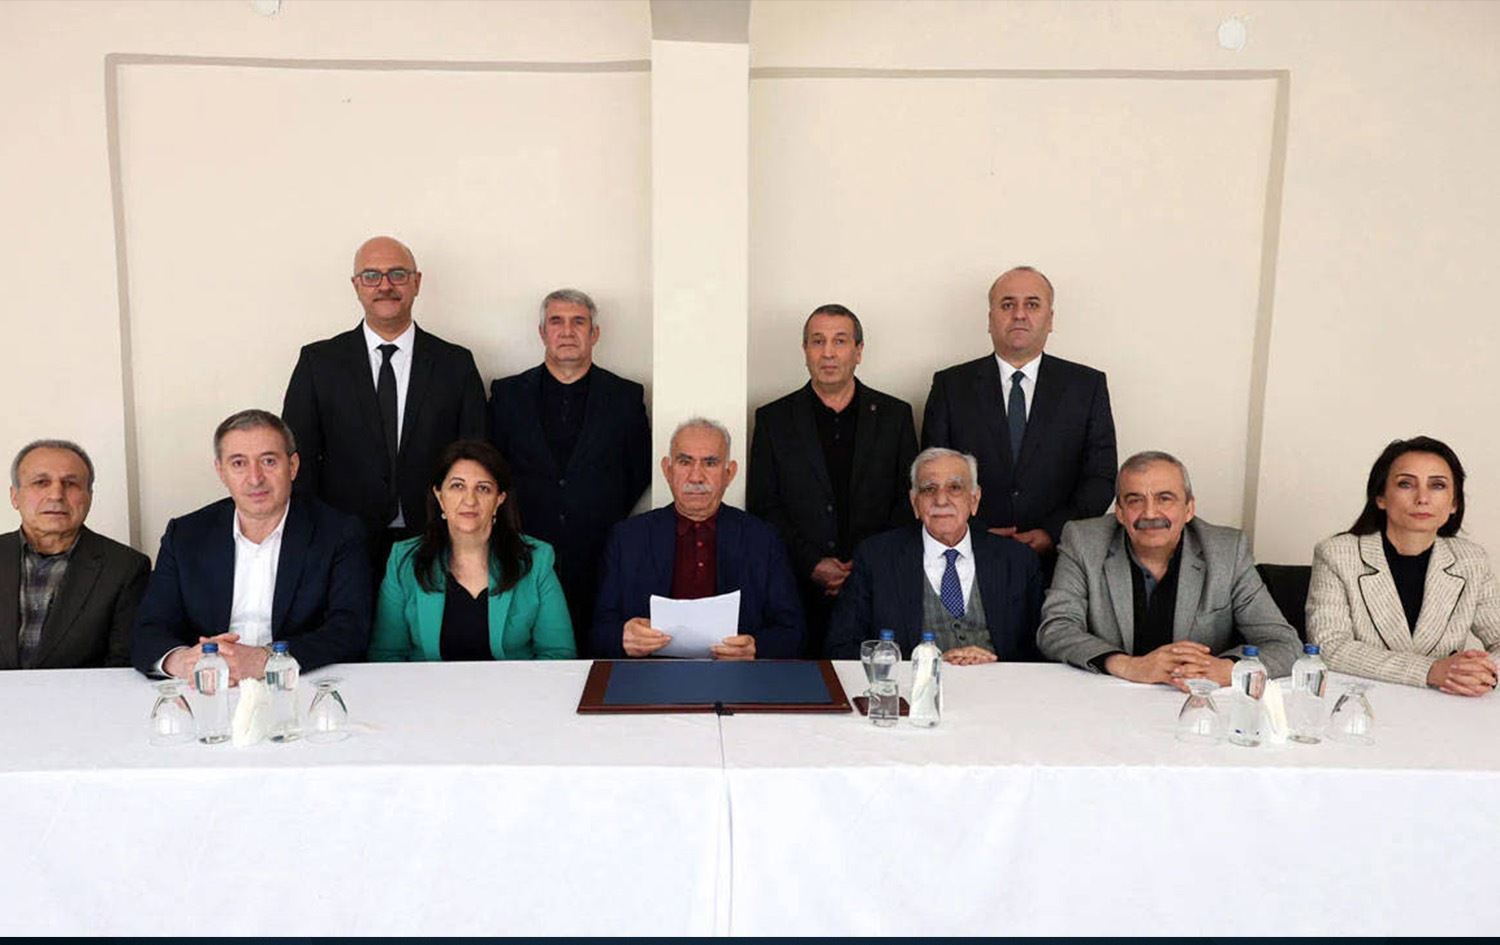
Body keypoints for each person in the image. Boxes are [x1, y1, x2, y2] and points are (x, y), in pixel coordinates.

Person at [282, 235, 486, 583]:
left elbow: (475, 454)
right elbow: (297, 458)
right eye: (372, 276)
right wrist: (310, 534)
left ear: (417, 282)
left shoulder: (455, 364)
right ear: (356, 285)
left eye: (398, 274)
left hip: (435, 536)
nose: (385, 285)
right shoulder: (319, 363)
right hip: (342, 540)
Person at [131, 410, 371, 681]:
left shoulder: (338, 533)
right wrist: (184, 661)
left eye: (268, 461)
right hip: (208, 687)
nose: (255, 478)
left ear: (292, 466)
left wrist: (267, 660)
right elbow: (148, 628)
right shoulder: (186, 535)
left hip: (298, 684)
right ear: (221, 471)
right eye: (238, 463)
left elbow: (350, 629)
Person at [1037, 450, 1300, 686]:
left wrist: (1226, 670)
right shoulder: (1083, 542)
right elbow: (1057, 628)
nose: (1150, 513)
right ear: (1120, 512)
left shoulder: (1227, 551)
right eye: (1135, 500)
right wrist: (1129, 666)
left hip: (1194, 701)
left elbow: (1283, 643)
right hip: (1110, 697)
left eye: (1165, 499)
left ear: (1189, 509)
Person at [749, 303, 917, 657]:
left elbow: (908, 501)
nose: (828, 352)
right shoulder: (773, 419)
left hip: (876, 586)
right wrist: (812, 563)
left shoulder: (895, 416)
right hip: (797, 587)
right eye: (817, 341)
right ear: (805, 350)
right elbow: (764, 506)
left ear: (858, 351)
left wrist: (864, 564)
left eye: (840, 341)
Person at [488, 289, 650, 656]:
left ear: (595, 333)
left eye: (578, 322)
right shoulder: (507, 394)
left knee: (594, 648)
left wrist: (597, 511)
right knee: (527, 649)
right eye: (556, 321)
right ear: (542, 332)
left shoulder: (625, 396)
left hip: (598, 550)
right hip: (523, 547)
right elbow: (493, 467)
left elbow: (637, 469)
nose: (567, 331)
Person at [922, 266, 1116, 566]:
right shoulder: (951, 386)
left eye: (1032, 304)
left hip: (1061, 559)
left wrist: (1053, 532)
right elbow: (931, 474)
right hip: (970, 554)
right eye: (1007, 305)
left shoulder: (1086, 386)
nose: (1020, 314)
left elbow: (1100, 478)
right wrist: (975, 530)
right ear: (990, 319)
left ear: (1050, 319)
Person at [592, 418, 804, 660]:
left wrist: (756, 648)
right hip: (648, 673)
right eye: (685, 462)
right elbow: (599, 632)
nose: (696, 477)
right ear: (667, 470)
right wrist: (622, 638)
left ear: (729, 473)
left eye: (710, 463)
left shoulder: (763, 539)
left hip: (737, 675)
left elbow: (793, 633)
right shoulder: (627, 538)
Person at [1307, 436, 1500, 695]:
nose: (1422, 498)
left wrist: (1480, 672)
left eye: (1437, 485)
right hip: (1362, 700)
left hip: (1445, 703)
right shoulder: (1337, 554)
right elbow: (1330, 647)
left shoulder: (1472, 560)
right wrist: (1430, 670)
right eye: (1406, 484)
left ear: (1454, 503)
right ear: (1380, 497)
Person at [825, 448, 1042, 663]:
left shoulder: (1018, 561)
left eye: (955, 488)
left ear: (974, 499)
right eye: (929, 489)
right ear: (914, 502)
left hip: (999, 682)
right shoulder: (876, 557)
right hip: (914, 684)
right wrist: (926, 664)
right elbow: (842, 646)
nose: (941, 500)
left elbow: (1039, 650)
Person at [369, 440, 575, 662]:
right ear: (439, 496)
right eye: (457, 486)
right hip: (428, 686)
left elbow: (559, 655)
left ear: (499, 499)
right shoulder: (404, 561)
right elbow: (386, 657)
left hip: (513, 685)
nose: (470, 500)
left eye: (483, 488)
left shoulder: (536, 560)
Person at [1, 440, 149, 669]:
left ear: (89, 496)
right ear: (14, 496)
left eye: (70, 484)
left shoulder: (125, 568)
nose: (56, 495)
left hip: (84, 692)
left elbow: (122, 664)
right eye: (41, 482)